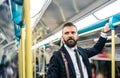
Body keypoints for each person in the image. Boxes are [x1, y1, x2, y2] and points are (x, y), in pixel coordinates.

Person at [46, 22, 110, 78]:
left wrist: (104, 33)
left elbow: (96, 49)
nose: (70, 35)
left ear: (77, 36)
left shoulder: (82, 52)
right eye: (66, 33)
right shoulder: (57, 56)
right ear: (62, 37)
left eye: (73, 32)